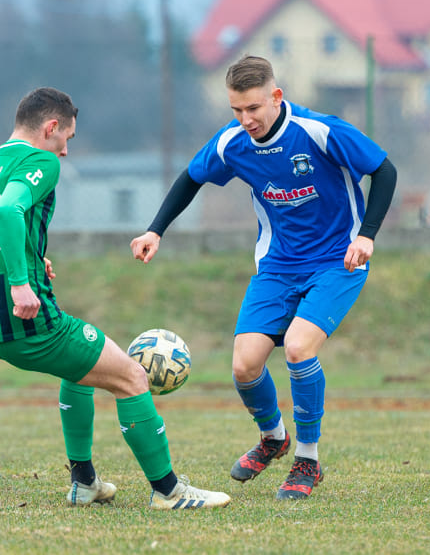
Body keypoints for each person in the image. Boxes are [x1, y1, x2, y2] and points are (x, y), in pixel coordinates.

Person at [130, 56, 397, 500]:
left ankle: (307, 461)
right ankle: (274, 437)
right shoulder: (232, 143)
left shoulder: (319, 131)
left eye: (253, 108)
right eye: (236, 110)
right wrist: (155, 229)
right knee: (244, 364)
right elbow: (190, 178)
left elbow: (383, 171)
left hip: (339, 260)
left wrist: (367, 236)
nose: (245, 119)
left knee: (297, 348)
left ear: (276, 97)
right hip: (277, 265)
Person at [0, 87, 230, 510]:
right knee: (132, 378)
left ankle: (85, 483)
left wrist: (28, 258)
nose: (65, 151)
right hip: (23, 315)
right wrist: (19, 282)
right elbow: (9, 211)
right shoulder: (39, 159)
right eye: (67, 138)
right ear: (50, 128)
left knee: (80, 369)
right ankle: (169, 492)